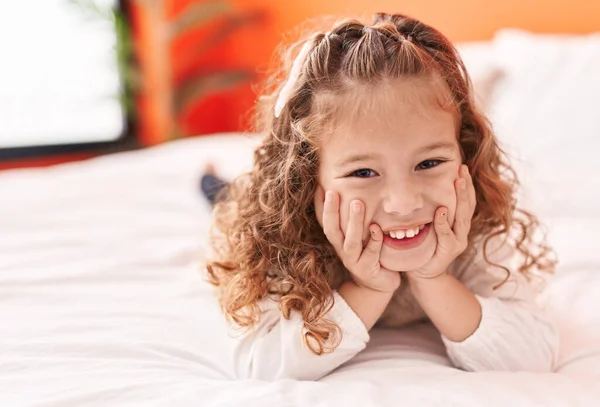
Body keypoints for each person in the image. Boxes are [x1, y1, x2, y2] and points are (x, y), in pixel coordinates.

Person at [203, 12, 559, 381]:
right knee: (227, 198)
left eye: (429, 162)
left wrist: (433, 278)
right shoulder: (287, 239)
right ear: (307, 180)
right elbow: (260, 364)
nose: (403, 203)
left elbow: (532, 355)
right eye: (363, 173)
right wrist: (368, 288)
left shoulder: (475, 224)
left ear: (465, 154)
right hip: (261, 203)